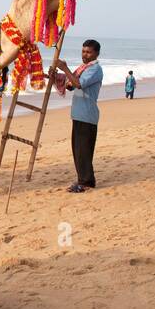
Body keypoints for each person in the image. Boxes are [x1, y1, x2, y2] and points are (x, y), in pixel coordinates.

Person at [55, 39, 103, 193]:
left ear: (96, 53)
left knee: (84, 150)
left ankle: (86, 182)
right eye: (83, 51)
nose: (85, 54)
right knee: (77, 149)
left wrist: (65, 67)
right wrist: (53, 76)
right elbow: (69, 84)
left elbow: (78, 84)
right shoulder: (83, 68)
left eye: (88, 52)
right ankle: (83, 179)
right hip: (78, 114)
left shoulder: (94, 69)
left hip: (87, 114)